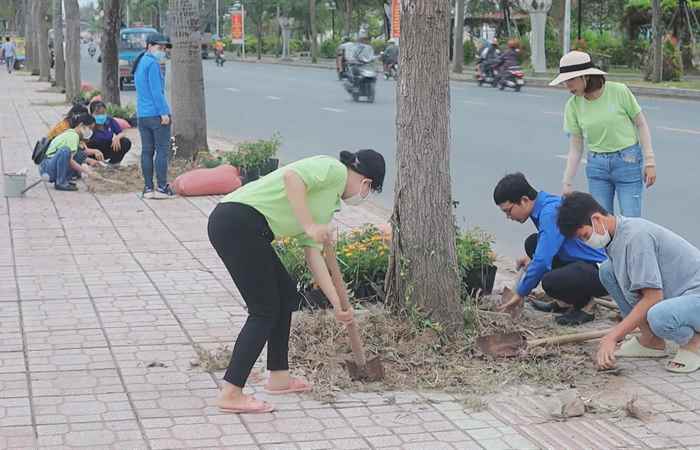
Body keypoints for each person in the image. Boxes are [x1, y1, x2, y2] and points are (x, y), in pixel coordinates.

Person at [208, 149, 386, 413]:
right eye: (368, 191)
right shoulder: (332, 169)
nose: (363, 196)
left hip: (249, 229)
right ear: (366, 182)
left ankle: (279, 376)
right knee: (264, 310)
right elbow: (292, 178)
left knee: (286, 295)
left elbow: (313, 254)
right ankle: (231, 392)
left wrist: (337, 304)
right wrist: (309, 225)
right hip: (236, 222)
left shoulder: (328, 203)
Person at [557, 192, 700, 373]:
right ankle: (651, 340)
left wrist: (612, 337)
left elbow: (653, 297)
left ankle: (693, 342)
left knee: (659, 315)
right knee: (608, 271)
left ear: (596, 218)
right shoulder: (616, 237)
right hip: (679, 296)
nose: (586, 242)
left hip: (695, 296)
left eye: (585, 235)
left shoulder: (635, 237)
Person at [550, 51, 657, 217]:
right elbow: (576, 147)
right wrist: (567, 182)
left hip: (627, 161)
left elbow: (641, 124)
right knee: (602, 224)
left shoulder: (619, 91)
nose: (567, 86)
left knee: (631, 223)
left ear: (586, 76)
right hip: (597, 167)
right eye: (565, 81)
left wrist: (650, 162)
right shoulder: (573, 105)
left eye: (571, 80)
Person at [494, 173, 608, 325]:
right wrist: (532, 258)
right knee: (533, 243)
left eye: (508, 211)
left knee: (550, 282)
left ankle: (586, 306)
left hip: (602, 271)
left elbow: (542, 262)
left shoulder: (549, 213)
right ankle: (566, 303)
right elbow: (552, 244)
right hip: (582, 262)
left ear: (524, 200)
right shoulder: (544, 204)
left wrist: (520, 292)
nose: (508, 217)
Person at [133, 33, 174, 199]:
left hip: (143, 115)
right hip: (156, 114)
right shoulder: (152, 64)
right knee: (162, 151)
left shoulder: (140, 62)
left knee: (147, 151)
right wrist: (164, 113)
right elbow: (156, 92)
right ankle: (162, 187)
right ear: (149, 46)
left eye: (164, 48)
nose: (162, 51)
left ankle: (148, 188)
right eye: (159, 48)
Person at [39, 113, 102, 191]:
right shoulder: (73, 136)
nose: (90, 131)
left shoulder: (74, 135)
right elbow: (70, 160)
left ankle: (66, 179)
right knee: (65, 151)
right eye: (90, 128)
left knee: (80, 154)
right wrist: (88, 172)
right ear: (81, 125)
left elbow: (79, 155)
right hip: (47, 168)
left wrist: (90, 164)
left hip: (53, 165)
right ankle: (60, 182)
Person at [86, 100, 132, 165]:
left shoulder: (109, 121)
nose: (101, 116)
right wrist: (93, 151)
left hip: (107, 148)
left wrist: (117, 138)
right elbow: (81, 145)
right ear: (91, 114)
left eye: (103, 113)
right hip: (93, 152)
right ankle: (92, 163)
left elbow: (121, 133)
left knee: (125, 142)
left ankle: (113, 164)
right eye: (97, 113)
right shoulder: (88, 124)